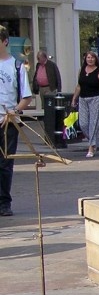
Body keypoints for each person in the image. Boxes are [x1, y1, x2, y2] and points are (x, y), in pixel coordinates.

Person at [0, 25, 33, 216]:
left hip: (8, 122)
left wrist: (14, 111)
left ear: (5, 41)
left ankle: (4, 202)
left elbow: (26, 97)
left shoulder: (16, 66)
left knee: (5, 163)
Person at [70, 51, 99, 158]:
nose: (90, 59)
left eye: (92, 58)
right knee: (83, 124)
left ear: (95, 59)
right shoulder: (81, 70)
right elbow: (79, 86)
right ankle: (96, 141)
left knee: (93, 123)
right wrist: (74, 98)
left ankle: (91, 147)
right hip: (83, 98)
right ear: (85, 59)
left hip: (96, 98)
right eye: (88, 57)